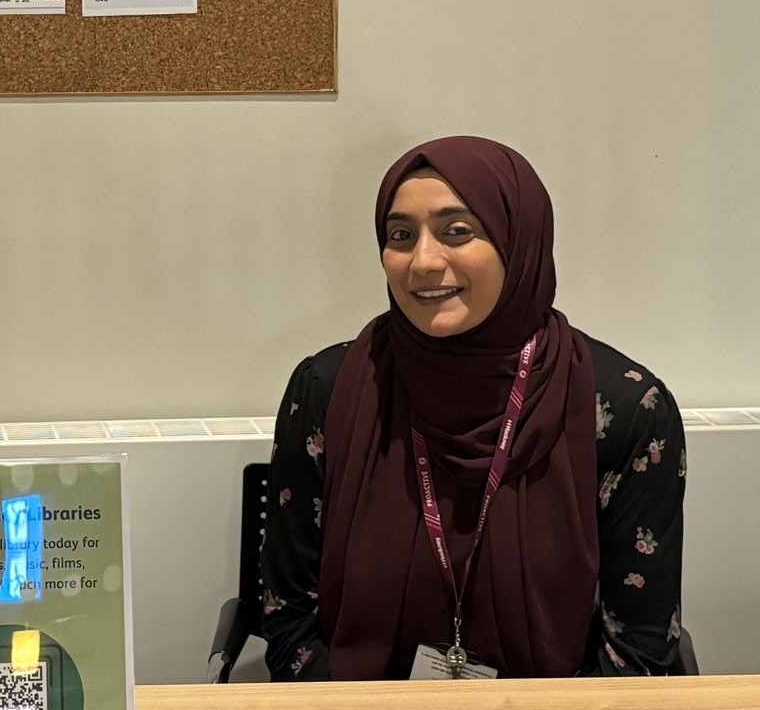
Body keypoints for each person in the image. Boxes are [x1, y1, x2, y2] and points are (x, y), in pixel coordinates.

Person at [258, 135, 686, 680]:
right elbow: (288, 616)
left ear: (518, 240)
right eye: (400, 235)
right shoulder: (329, 387)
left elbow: (638, 650)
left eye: (457, 231)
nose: (423, 261)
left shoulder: (626, 408)